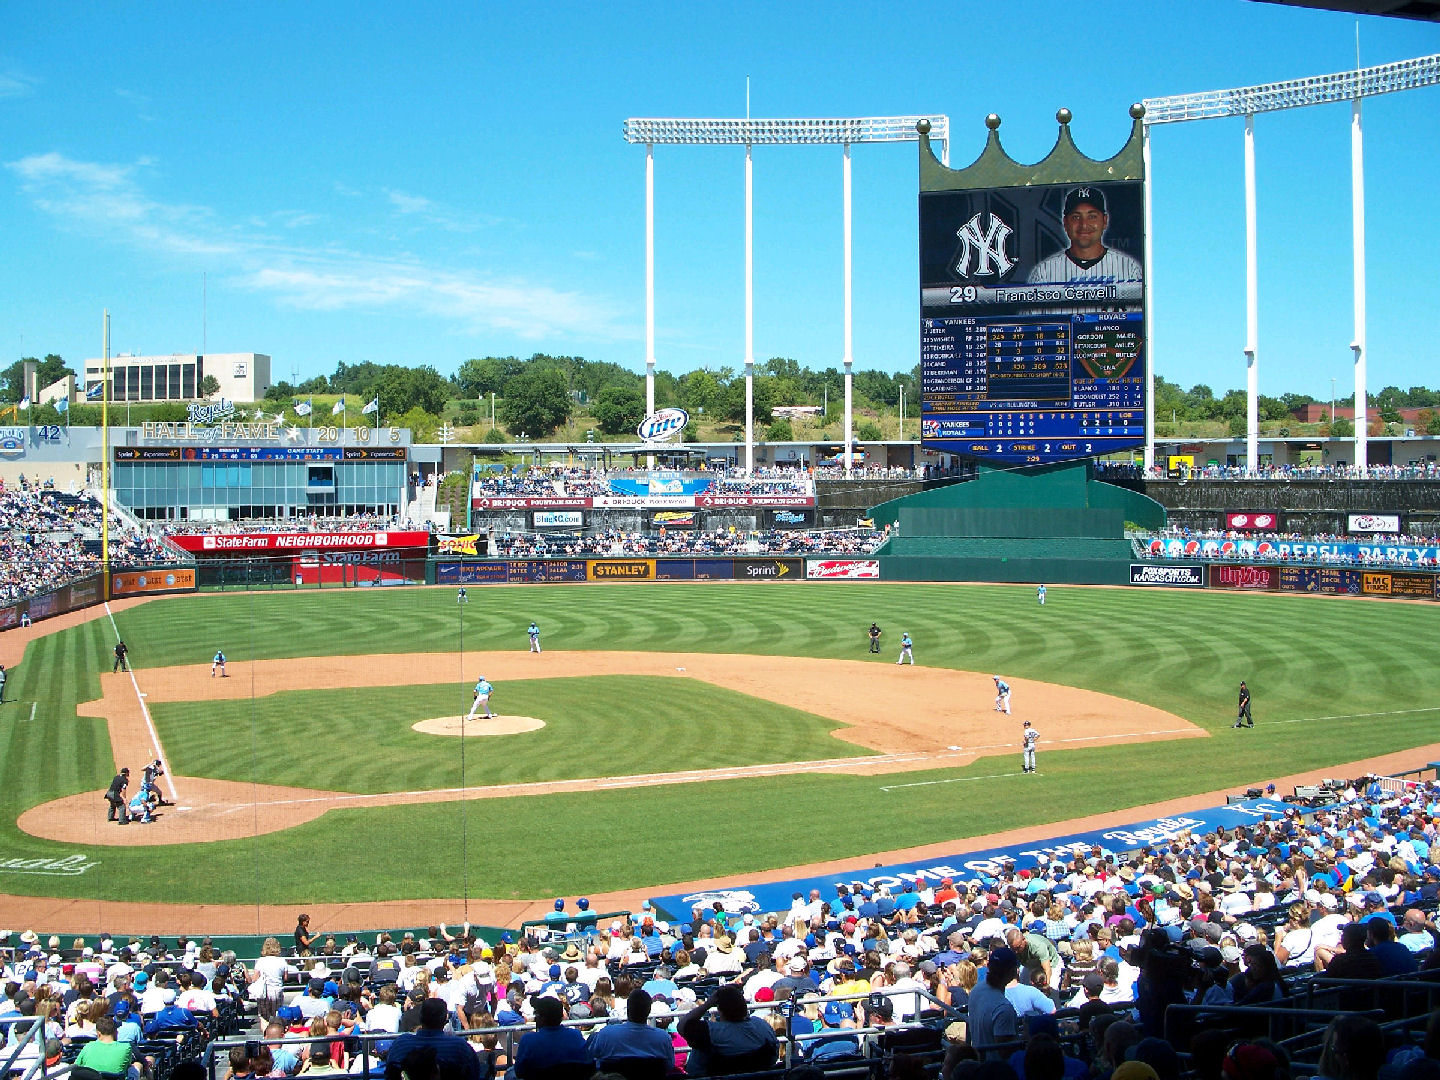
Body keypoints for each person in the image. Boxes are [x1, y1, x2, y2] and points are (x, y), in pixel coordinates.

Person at [1026, 185, 1143, 317]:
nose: (1084, 225)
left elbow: (1138, 327)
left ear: (1104, 221)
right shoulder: (1043, 273)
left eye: (1092, 216)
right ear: (1065, 223)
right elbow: (1031, 326)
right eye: (1076, 217)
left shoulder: (1129, 269)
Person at [678, 984, 779, 1076]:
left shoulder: (712, 1032)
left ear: (720, 1010)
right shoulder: (762, 1025)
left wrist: (707, 1004)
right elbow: (773, 1056)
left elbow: (682, 1026)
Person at [383, 997, 481, 1080]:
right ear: (444, 1019)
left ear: (420, 1017)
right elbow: (474, 1074)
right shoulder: (460, 1047)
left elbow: (390, 1074)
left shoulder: (401, 1044)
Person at [586, 987, 675, 1071]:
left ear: (628, 1009)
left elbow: (591, 1057)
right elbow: (669, 1066)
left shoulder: (606, 1033)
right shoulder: (663, 1038)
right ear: (648, 1011)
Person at [511, 996, 587, 1079]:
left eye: (536, 1013)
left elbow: (519, 1072)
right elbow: (588, 1063)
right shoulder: (575, 1035)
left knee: (510, 1073)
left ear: (541, 1018)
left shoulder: (528, 1040)